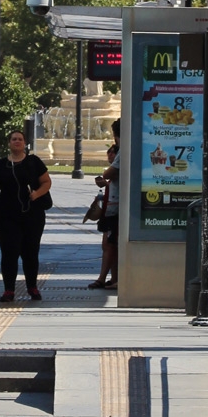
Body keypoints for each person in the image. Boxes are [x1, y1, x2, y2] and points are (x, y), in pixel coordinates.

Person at [0, 128, 52, 302]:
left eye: (20, 139)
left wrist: (36, 194)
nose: (17, 141)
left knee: (30, 252)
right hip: (7, 216)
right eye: (14, 139)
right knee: (9, 252)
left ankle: (32, 287)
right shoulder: (1, 165)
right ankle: (9, 290)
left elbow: (46, 182)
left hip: (32, 216)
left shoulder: (34, 162)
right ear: (9, 143)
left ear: (24, 143)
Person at [90, 119, 121, 289]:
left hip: (116, 207)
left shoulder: (124, 151)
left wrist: (106, 177)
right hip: (113, 205)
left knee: (109, 244)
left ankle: (103, 278)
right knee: (111, 244)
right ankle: (113, 278)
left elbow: (110, 172)